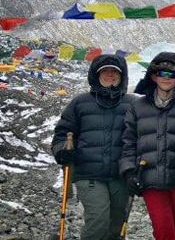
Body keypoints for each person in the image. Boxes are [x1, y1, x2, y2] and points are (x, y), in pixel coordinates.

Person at [51, 54, 135, 240]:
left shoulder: (133, 104)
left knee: (117, 225)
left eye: (115, 71)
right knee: (98, 220)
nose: (110, 75)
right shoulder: (80, 103)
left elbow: (143, 136)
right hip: (89, 173)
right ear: (95, 75)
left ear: (123, 76)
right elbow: (61, 135)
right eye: (105, 71)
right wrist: (62, 150)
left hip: (121, 174)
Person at [119, 52, 175, 240]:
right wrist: (129, 171)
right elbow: (128, 142)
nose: (167, 78)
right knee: (164, 231)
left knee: (174, 232)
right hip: (150, 179)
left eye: (172, 74)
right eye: (162, 73)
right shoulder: (138, 107)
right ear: (153, 76)